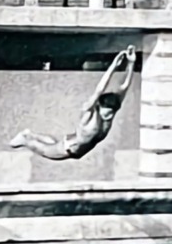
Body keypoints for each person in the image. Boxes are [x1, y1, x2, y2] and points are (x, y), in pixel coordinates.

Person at [9, 46, 137, 161]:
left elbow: (124, 86)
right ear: (99, 105)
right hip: (66, 149)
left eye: (112, 112)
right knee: (41, 148)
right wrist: (113, 66)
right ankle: (25, 138)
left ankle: (30, 134)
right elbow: (99, 89)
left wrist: (131, 63)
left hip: (77, 148)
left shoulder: (112, 109)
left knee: (52, 142)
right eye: (107, 111)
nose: (110, 115)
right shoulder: (89, 112)